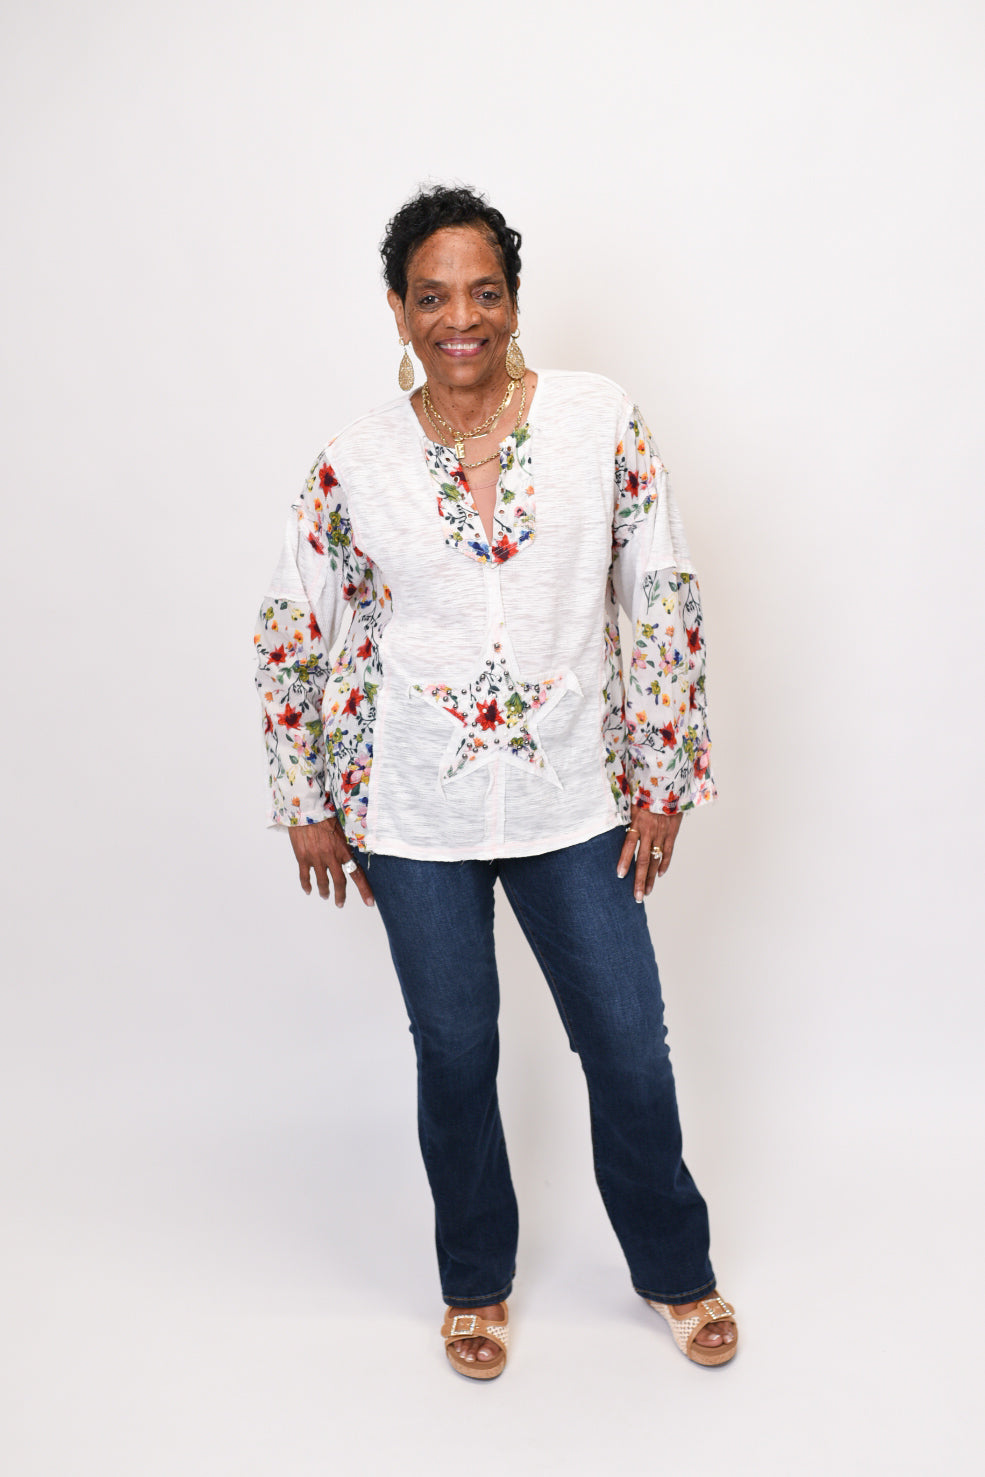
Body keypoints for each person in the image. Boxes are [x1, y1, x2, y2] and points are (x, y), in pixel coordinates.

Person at [254, 185, 737, 1378]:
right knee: (457, 1050)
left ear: (514, 301)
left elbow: (660, 590)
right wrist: (307, 800)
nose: (459, 318)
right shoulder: (353, 460)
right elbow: (290, 622)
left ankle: (675, 1268)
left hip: (577, 796)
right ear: (397, 309)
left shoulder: (596, 420)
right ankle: (474, 1281)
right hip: (411, 805)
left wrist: (663, 775)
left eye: (482, 292)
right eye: (432, 296)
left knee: (626, 1040)